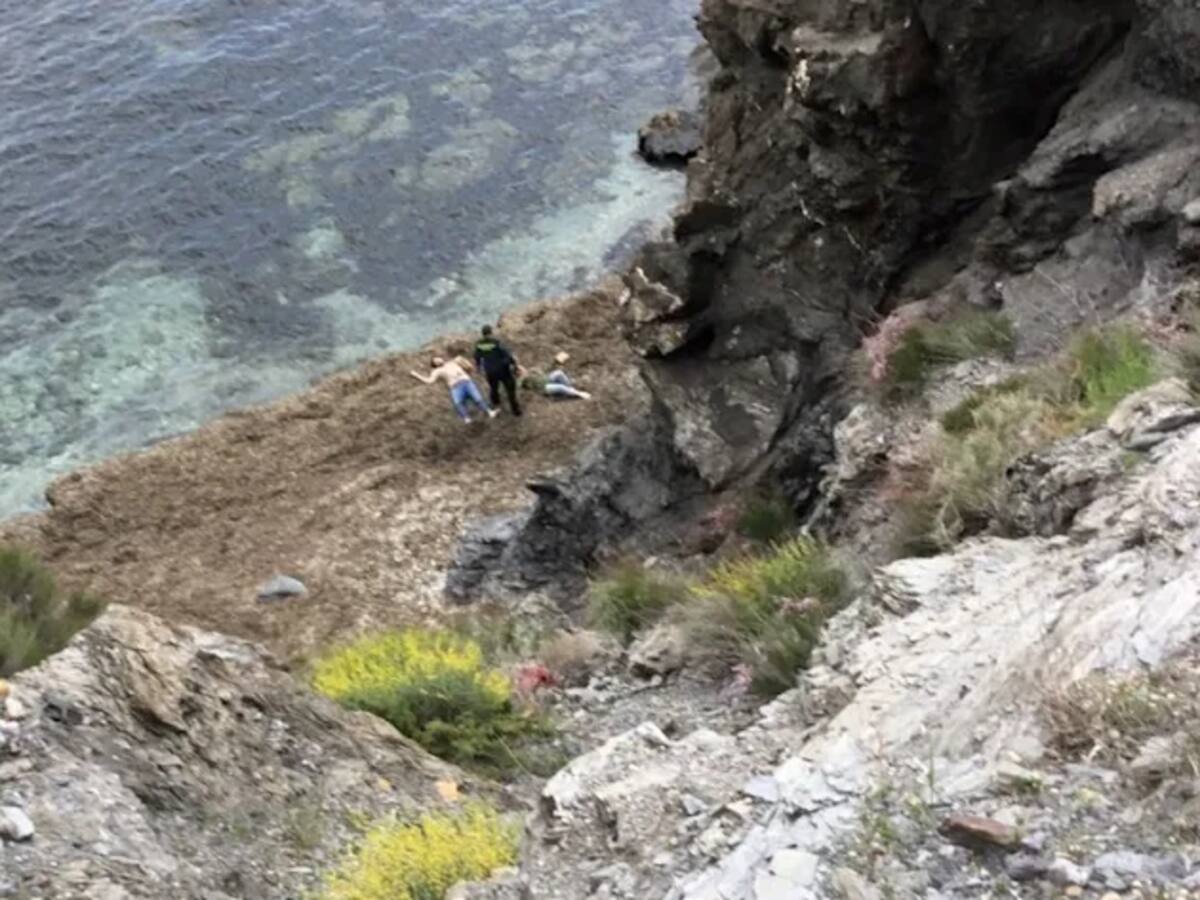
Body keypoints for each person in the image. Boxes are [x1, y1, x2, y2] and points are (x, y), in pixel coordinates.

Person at [410, 356, 497, 423]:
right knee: (458, 403)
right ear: (435, 365)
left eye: (439, 358)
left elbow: (465, 364)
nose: (439, 360)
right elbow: (429, 381)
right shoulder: (437, 371)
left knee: (477, 398)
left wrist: (466, 364)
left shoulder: (451, 362)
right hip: (455, 387)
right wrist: (416, 375)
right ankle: (467, 419)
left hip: (466, 382)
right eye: (436, 361)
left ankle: (489, 412)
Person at [474, 325, 522, 416]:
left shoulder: (479, 344)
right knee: (510, 389)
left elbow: (477, 357)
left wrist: (479, 367)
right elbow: (507, 355)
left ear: (483, 334)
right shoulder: (496, 342)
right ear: (491, 333)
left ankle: (496, 403)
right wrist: (514, 365)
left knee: (493, 388)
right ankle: (516, 410)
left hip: (490, 371)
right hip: (502, 370)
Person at [521, 351, 591, 400]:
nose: (522, 370)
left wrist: (555, 361)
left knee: (559, 372)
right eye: (520, 370)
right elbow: (519, 387)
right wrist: (523, 378)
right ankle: (578, 394)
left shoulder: (532, 370)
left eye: (521, 368)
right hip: (544, 388)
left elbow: (546, 369)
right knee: (561, 387)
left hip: (547, 379)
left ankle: (570, 387)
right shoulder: (524, 380)